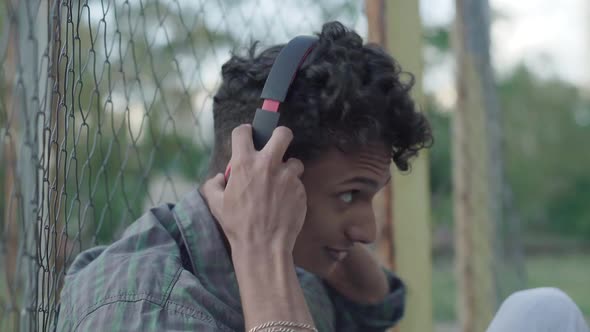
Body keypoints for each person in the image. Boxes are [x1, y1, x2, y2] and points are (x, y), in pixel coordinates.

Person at [57, 21, 430, 332]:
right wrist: (263, 247)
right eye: (350, 195)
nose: (369, 231)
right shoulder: (149, 309)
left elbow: (375, 308)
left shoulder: (294, 270)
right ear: (261, 172)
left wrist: (266, 248)